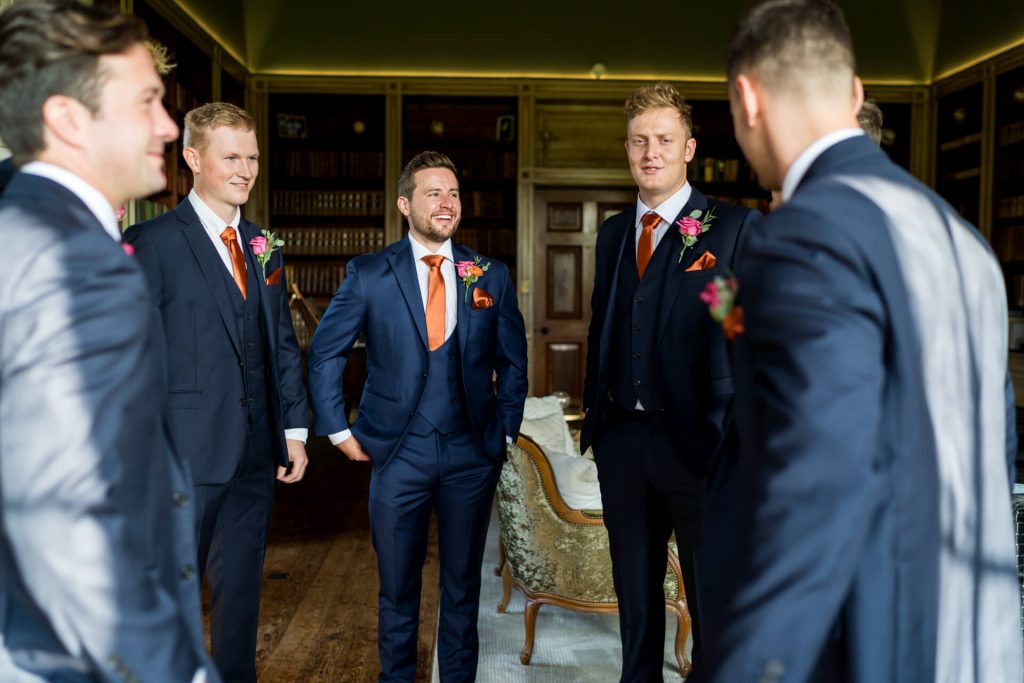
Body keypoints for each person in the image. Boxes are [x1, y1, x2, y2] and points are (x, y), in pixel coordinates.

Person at [695, 1, 1024, 681]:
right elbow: (998, 445)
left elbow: (818, 483)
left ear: (747, 99)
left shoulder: (803, 237)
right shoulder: (966, 243)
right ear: (855, 93)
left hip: (856, 638)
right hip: (972, 631)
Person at [0, 1, 220, 681]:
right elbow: (68, 517)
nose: (168, 124)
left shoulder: (18, 220)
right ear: (68, 118)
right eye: (148, 101)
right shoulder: (80, 260)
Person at [307, 151, 527, 682]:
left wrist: (502, 432)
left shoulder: (489, 275)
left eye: (452, 193)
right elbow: (325, 353)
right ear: (405, 205)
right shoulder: (368, 274)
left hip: (470, 454)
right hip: (397, 453)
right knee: (398, 588)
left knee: (461, 589)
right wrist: (337, 429)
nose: (446, 203)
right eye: (433, 193)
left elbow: (513, 363)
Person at [125, 102, 309, 683]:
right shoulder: (150, 242)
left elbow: (280, 341)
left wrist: (295, 430)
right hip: (181, 455)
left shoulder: (263, 245)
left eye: (252, 157)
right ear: (192, 158)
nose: (246, 169)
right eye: (232, 156)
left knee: (241, 596)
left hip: (255, 454)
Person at [579, 82, 758, 680]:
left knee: (712, 594)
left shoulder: (729, 229)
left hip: (700, 445)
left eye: (663, 139)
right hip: (623, 441)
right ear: (627, 150)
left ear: (689, 148)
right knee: (633, 591)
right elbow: (605, 325)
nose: (649, 151)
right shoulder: (610, 234)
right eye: (638, 141)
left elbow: (736, 329)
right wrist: (598, 426)